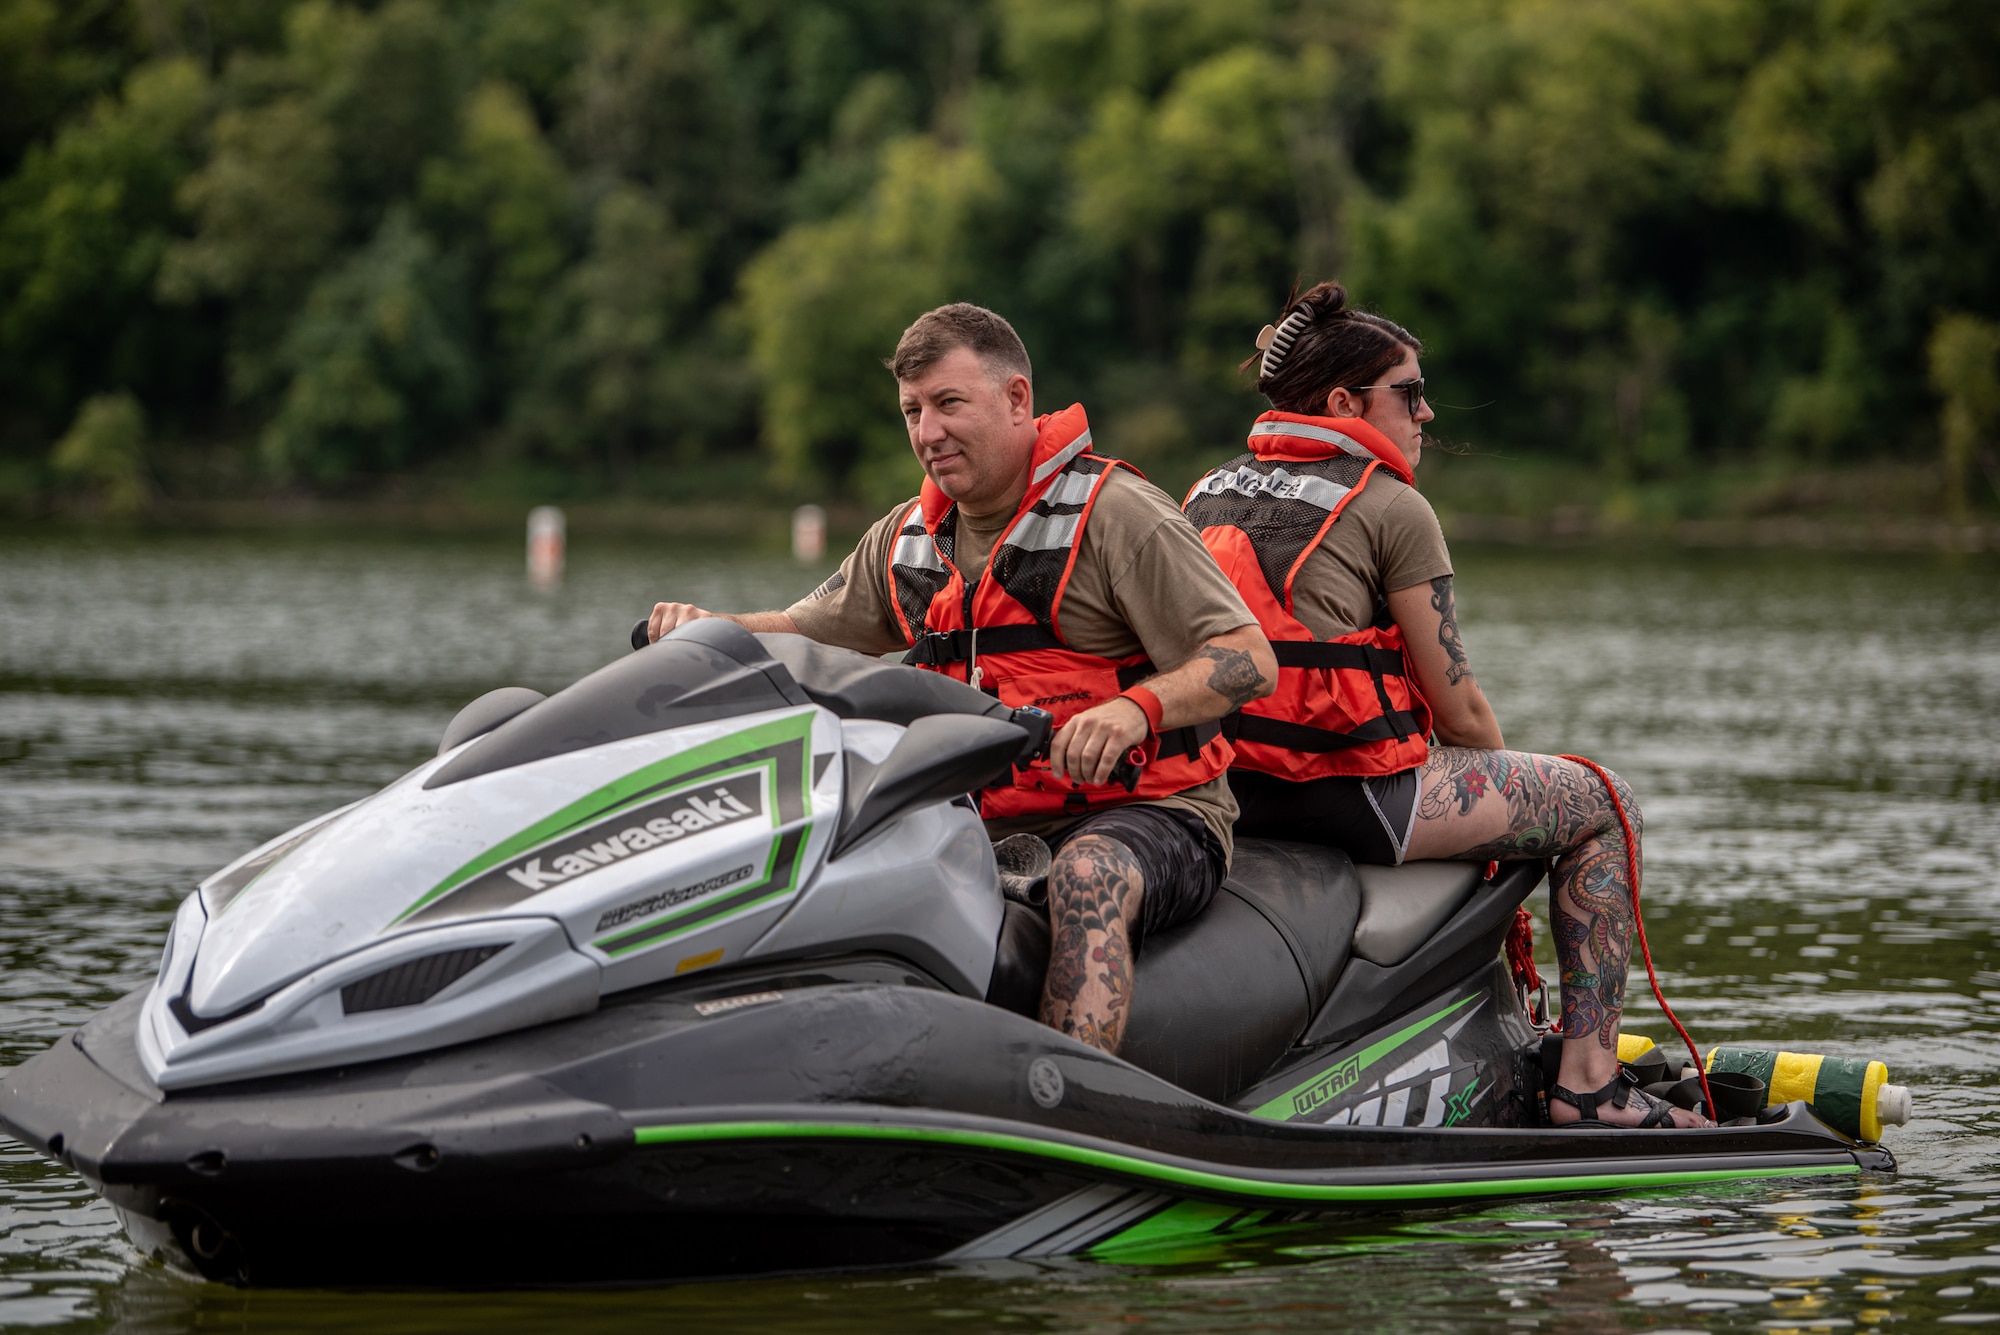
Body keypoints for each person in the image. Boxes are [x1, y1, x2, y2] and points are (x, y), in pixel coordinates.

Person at [647, 303, 1276, 1056]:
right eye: (912, 410)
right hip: (984, 820)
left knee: (1087, 874)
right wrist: (709, 628)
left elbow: (1249, 657)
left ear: (1017, 400)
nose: (926, 432)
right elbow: (805, 628)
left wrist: (1135, 710)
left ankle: (1071, 1105)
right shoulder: (907, 536)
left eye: (948, 403)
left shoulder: (1118, 515)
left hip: (1154, 814)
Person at [1182, 281, 1709, 1129]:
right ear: (1346, 402)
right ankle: (1588, 1084)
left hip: (1229, 791)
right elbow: (1458, 712)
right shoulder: (1393, 507)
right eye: (1410, 392)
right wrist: (1508, 796)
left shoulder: (1204, 492)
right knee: (1605, 803)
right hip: (1350, 796)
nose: (1426, 414)